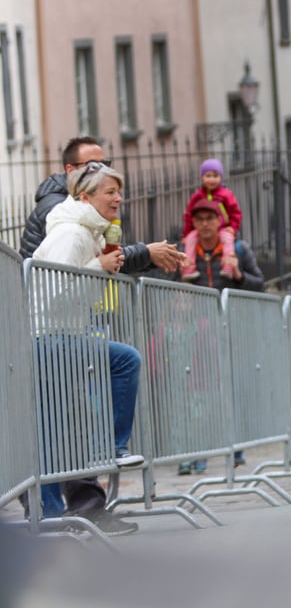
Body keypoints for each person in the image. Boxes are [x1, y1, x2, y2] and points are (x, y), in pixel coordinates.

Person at [31, 162, 147, 535]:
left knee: (56, 430)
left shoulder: (85, 231)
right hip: (51, 337)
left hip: (61, 335)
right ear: (85, 197)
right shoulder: (71, 234)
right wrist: (98, 266)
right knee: (124, 361)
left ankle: (55, 514)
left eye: (118, 190)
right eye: (110, 191)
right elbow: (55, 287)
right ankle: (111, 448)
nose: (118, 198)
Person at [177, 198, 264, 473]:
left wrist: (238, 275)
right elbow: (166, 286)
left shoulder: (237, 249)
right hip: (196, 333)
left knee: (232, 391)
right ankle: (202, 453)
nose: (204, 225)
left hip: (231, 330)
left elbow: (258, 284)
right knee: (200, 397)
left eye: (209, 219)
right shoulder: (185, 252)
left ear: (219, 221)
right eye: (199, 219)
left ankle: (235, 449)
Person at [19, 136, 185, 273]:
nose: (102, 171)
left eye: (104, 164)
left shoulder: (84, 214)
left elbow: (105, 254)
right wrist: (147, 253)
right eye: (93, 166)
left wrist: (149, 254)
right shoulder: (64, 217)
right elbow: (56, 289)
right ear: (70, 170)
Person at [181, 158, 243, 281]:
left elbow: (235, 212)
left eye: (215, 176)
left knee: (227, 240)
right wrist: (187, 233)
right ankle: (188, 268)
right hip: (200, 230)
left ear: (221, 177)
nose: (211, 179)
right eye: (208, 176)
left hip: (223, 228)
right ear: (202, 178)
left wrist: (233, 227)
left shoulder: (226, 194)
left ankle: (228, 266)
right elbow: (189, 214)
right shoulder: (198, 195)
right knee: (191, 240)